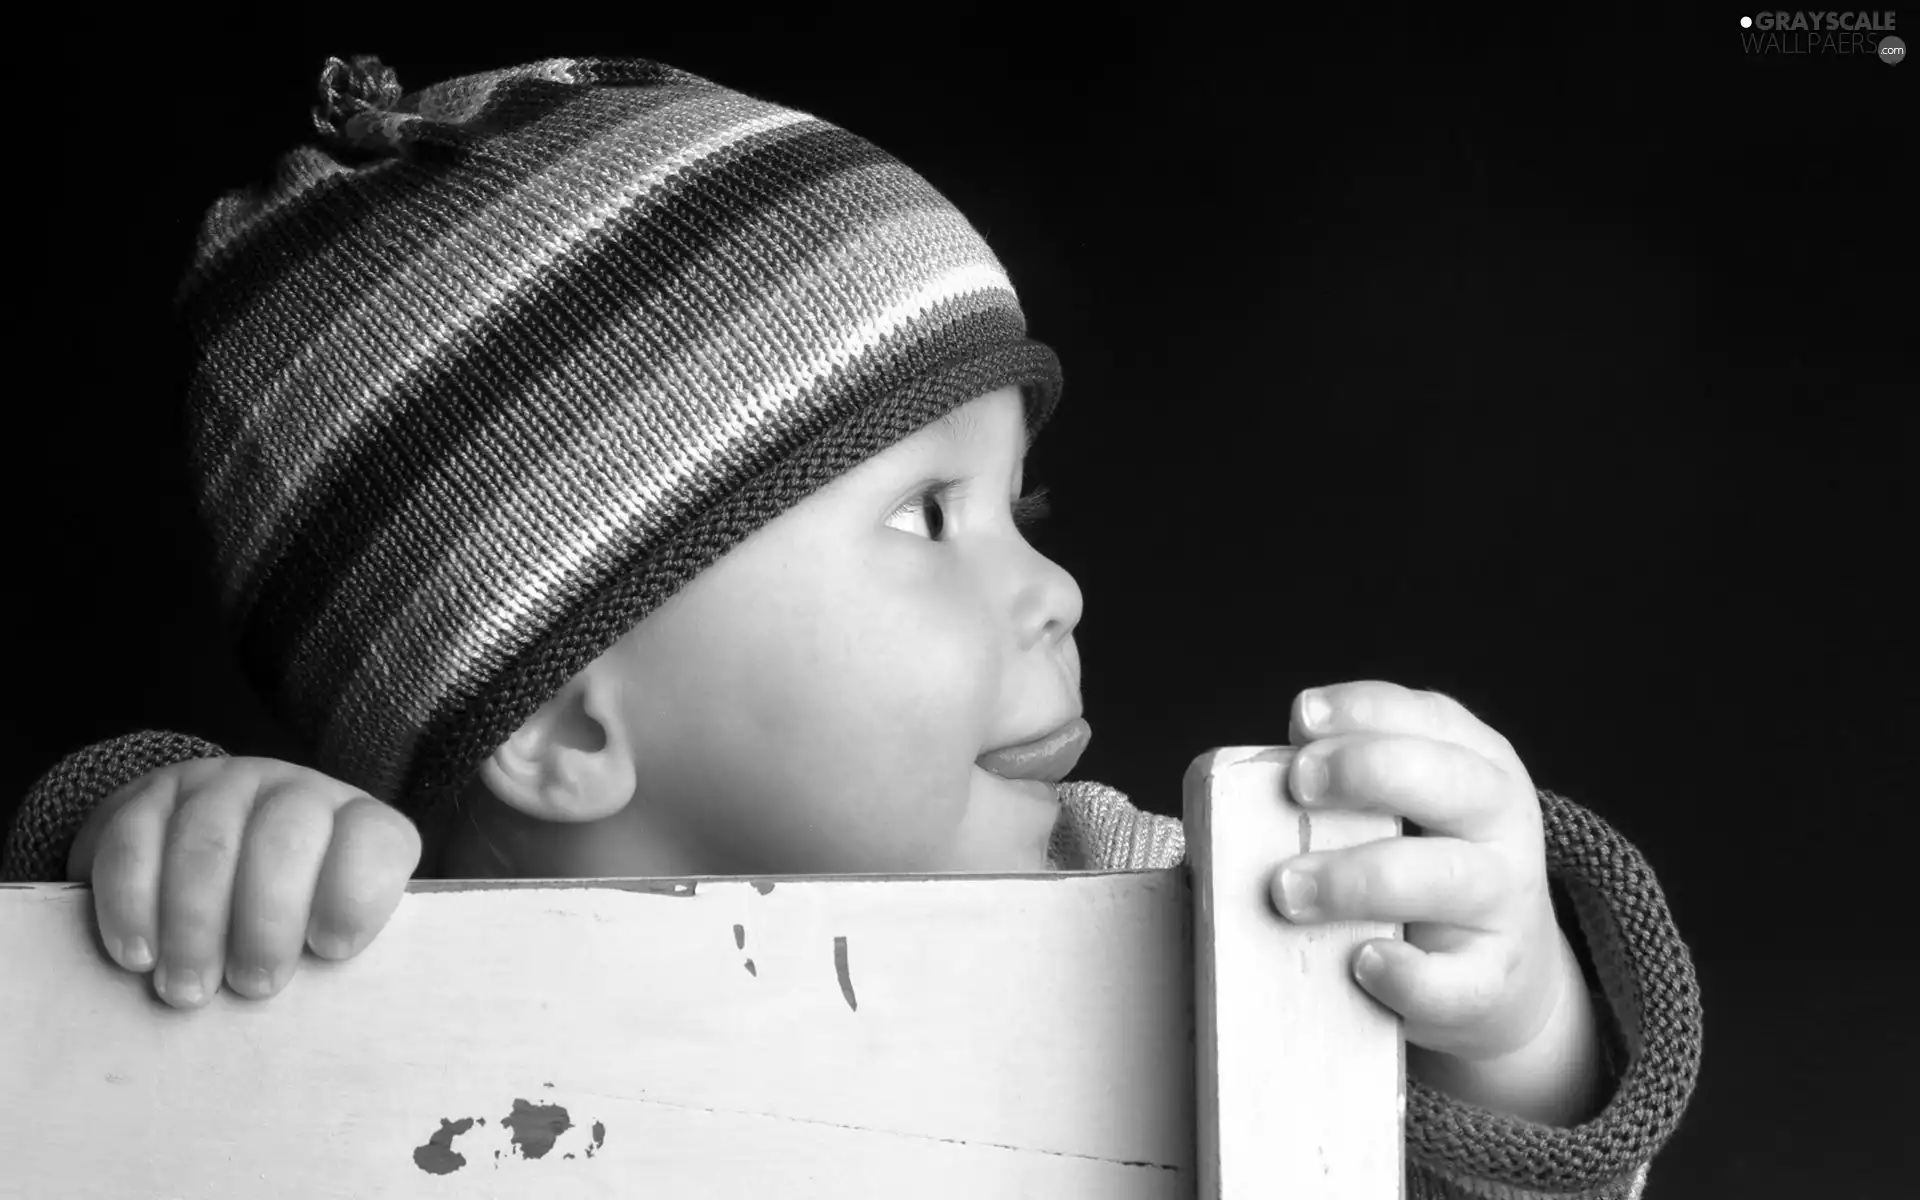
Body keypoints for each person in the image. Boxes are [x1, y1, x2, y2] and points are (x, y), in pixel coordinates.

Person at [3, 53, 1700, 1197]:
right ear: (569, 725)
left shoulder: (1156, 907)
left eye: (1020, 507)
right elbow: (90, 1074)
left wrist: (1508, 1023)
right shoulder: (350, 966)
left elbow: (1429, 1156)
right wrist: (162, 844)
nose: (1058, 591)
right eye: (929, 517)